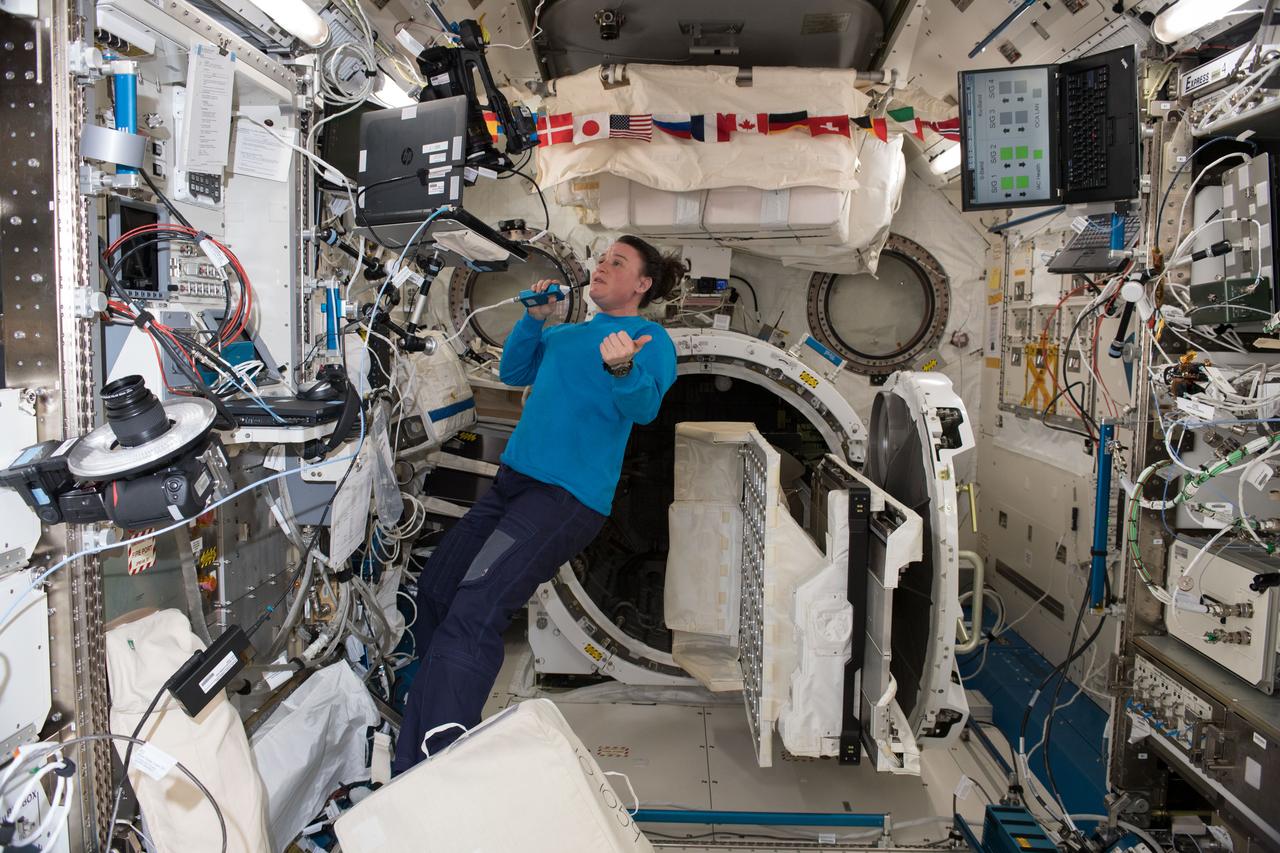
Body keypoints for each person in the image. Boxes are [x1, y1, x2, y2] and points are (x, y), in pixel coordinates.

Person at [393, 235, 685, 774]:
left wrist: (622, 368)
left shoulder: (648, 339)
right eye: (601, 260)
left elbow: (645, 408)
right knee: (437, 586)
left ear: (642, 285)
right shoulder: (570, 333)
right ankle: (411, 705)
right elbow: (514, 373)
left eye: (616, 263)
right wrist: (537, 319)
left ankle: (432, 756)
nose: (601, 267)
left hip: (563, 500)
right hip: (513, 485)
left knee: (477, 610)